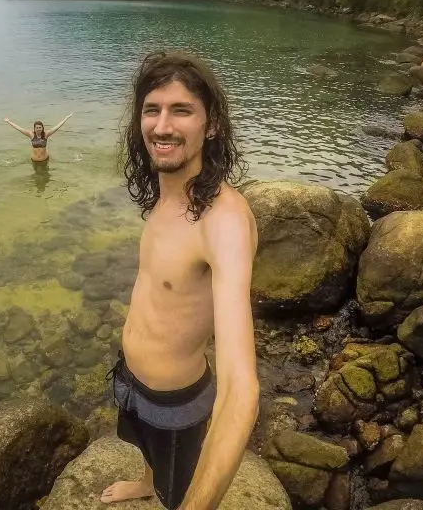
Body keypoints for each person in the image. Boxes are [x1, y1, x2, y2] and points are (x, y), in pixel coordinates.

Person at [102, 51, 259, 510]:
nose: (162, 126)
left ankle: (167, 495)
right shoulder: (166, 194)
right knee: (144, 447)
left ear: (211, 126)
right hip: (132, 376)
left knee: (180, 491)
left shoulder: (223, 222)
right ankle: (146, 481)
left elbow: (240, 389)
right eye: (152, 110)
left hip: (176, 403)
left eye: (182, 110)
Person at [2, 113, 73, 162]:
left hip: (45, 160)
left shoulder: (46, 134)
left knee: (46, 178)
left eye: (40, 127)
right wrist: (9, 121)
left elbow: (57, 127)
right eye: (37, 128)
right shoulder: (31, 134)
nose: (38, 129)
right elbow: (19, 128)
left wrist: (66, 118)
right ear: (34, 128)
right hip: (34, 160)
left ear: (42, 128)